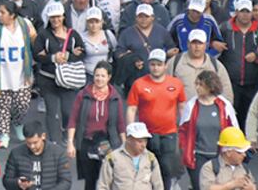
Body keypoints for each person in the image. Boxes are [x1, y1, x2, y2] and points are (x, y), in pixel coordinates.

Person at [127, 49, 187, 190]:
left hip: (169, 134)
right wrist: (131, 132)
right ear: (149, 65)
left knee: (166, 170)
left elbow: (182, 107)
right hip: (145, 135)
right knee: (144, 170)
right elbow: (131, 108)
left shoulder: (176, 84)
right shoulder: (139, 84)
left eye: (159, 64)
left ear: (165, 66)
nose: (156, 67)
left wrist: (184, 129)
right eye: (153, 64)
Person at [0, 0, 37, 148]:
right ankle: (4, 134)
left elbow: (35, 40)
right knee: (3, 106)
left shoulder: (25, 25)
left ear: (12, 15)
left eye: (3, 12)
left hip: (21, 73)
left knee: (22, 104)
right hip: (2, 74)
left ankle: (18, 123)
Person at [66, 61, 126, 190]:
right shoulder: (83, 95)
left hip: (107, 142)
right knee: (90, 180)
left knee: (107, 179)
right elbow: (73, 119)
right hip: (87, 142)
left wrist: (125, 144)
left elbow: (120, 123)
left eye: (103, 76)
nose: (99, 79)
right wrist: (70, 143)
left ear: (109, 77)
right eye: (97, 75)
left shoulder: (115, 97)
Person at [33, 1, 86, 144]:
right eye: (52, 18)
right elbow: (37, 54)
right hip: (48, 79)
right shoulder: (43, 35)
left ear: (63, 17)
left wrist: (68, 56)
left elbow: (82, 52)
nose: (55, 20)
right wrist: (52, 57)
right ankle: (52, 139)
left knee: (68, 110)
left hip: (67, 79)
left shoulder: (73, 35)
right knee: (51, 110)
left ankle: (65, 133)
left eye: (58, 17)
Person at [179, 69, 240, 190]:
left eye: (200, 84)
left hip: (220, 156)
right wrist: (185, 150)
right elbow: (183, 130)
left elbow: (234, 129)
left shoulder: (224, 105)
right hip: (198, 156)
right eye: (196, 84)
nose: (197, 88)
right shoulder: (191, 105)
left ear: (210, 86)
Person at [219, 0, 258, 125]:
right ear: (236, 12)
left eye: (247, 12)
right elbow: (214, 44)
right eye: (242, 11)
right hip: (231, 82)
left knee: (250, 115)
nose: (245, 15)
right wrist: (215, 44)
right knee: (231, 113)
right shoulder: (225, 28)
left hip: (253, 82)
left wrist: (257, 55)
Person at [2, 120, 72, 190]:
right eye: (28, 143)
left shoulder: (58, 153)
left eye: (35, 142)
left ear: (43, 136)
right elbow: (7, 180)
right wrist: (18, 183)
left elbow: (66, 181)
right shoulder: (16, 153)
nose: (32, 146)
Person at [168, 29, 234, 103]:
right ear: (188, 44)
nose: (197, 46)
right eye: (194, 43)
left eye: (200, 43)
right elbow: (164, 88)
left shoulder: (216, 66)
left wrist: (223, 111)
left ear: (206, 45)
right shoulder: (175, 62)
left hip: (208, 113)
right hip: (182, 113)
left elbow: (227, 93)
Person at [96, 122, 164, 190]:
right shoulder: (112, 159)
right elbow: (102, 185)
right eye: (139, 141)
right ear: (129, 139)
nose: (143, 145)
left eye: (145, 141)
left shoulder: (151, 159)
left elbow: (158, 185)